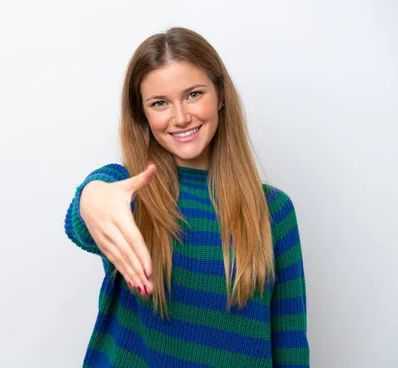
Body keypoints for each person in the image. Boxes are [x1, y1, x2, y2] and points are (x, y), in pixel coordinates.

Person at [64, 27, 309, 368]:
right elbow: (85, 217)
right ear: (143, 115)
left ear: (220, 95)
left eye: (193, 94)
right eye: (160, 103)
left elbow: (291, 344)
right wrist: (91, 197)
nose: (180, 117)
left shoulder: (274, 211)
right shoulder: (131, 191)